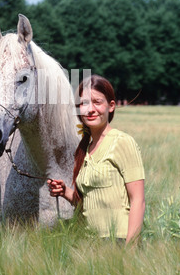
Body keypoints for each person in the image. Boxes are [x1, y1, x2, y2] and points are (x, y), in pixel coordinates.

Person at [48, 74, 145, 245]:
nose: (90, 109)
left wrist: (130, 251)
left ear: (111, 106)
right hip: (89, 243)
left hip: (118, 241)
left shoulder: (122, 142)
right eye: (83, 103)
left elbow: (138, 200)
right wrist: (65, 192)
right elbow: (90, 204)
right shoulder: (84, 149)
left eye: (97, 102)